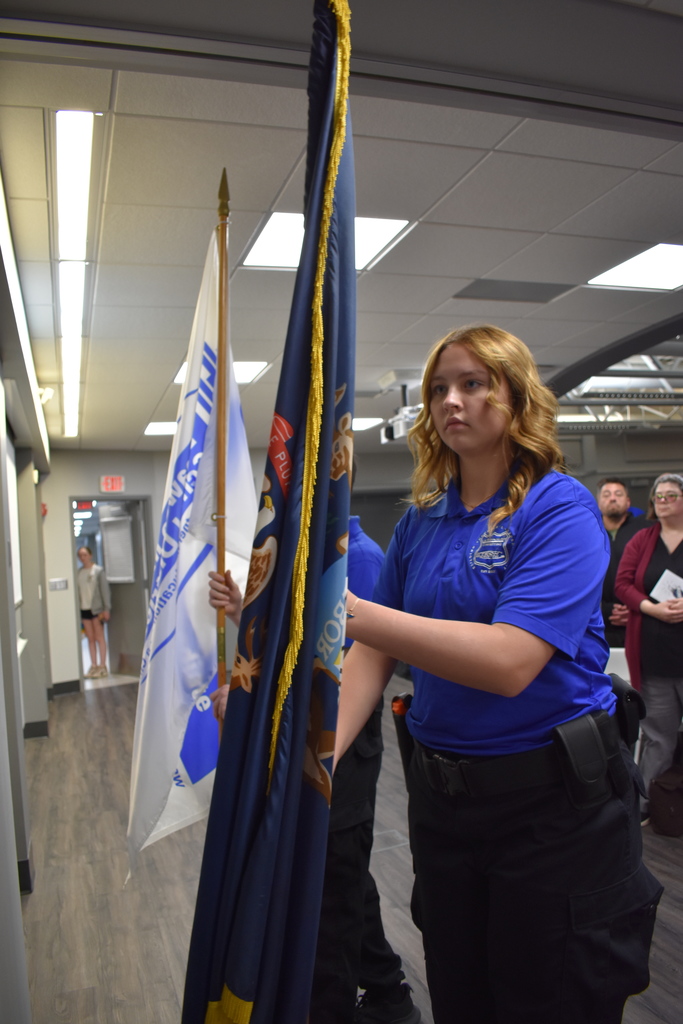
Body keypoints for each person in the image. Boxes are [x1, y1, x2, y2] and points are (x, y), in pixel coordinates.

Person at [334, 325, 662, 1024]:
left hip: (549, 813)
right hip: (445, 809)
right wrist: (322, 750)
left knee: (546, 999)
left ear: (515, 398)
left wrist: (352, 614)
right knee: (460, 995)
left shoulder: (559, 508)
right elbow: (373, 652)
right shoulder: (422, 521)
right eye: (437, 389)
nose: (451, 400)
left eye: (473, 384)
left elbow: (509, 661)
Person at [208, 539, 419, 1024]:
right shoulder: (301, 550)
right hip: (305, 736)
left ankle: (353, 1003)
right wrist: (244, 612)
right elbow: (295, 643)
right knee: (336, 876)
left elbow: (334, 667)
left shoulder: (358, 558)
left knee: (335, 883)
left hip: (340, 738)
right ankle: (389, 990)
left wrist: (253, 686)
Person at [615, 472, 683, 823]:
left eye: (671, 495)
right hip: (654, 657)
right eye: (658, 495)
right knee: (658, 737)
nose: (662, 500)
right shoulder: (643, 539)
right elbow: (623, 584)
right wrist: (650, 607)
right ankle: (649, 806)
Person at [596, 477, 650, 648]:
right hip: (599, 622)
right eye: (606, 494)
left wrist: (637, 607)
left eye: (618, 494)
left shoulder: (646, 530)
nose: (612, 498)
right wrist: (603, 610)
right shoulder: (588, 532)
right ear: (598, 502)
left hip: (642, 618)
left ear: (628, 502)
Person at [77, 545, 111, 678]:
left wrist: (106, 609)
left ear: (90, 555)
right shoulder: (79, 573)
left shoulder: (98, 571)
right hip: (84, 609)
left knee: (99, 637)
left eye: (85, 554)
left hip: (97, 609)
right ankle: (94, 665)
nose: (82, 557)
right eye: (80, 555)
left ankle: (103, 666)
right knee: (90, 638)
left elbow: (105, 592)